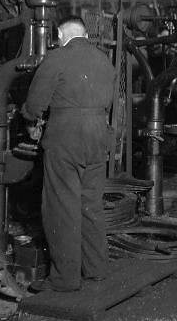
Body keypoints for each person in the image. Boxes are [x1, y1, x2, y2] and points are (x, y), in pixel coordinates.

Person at [22, 15, 115, 292]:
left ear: (61, 34)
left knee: (62, 207)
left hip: (66, 137)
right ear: (84, 34)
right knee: (91, 203)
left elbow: (36, 103)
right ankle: (96, 268)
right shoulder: (103, 59)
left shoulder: (57, 58)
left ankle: (65, 279)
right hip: (98, 136)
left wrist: (28, 116)